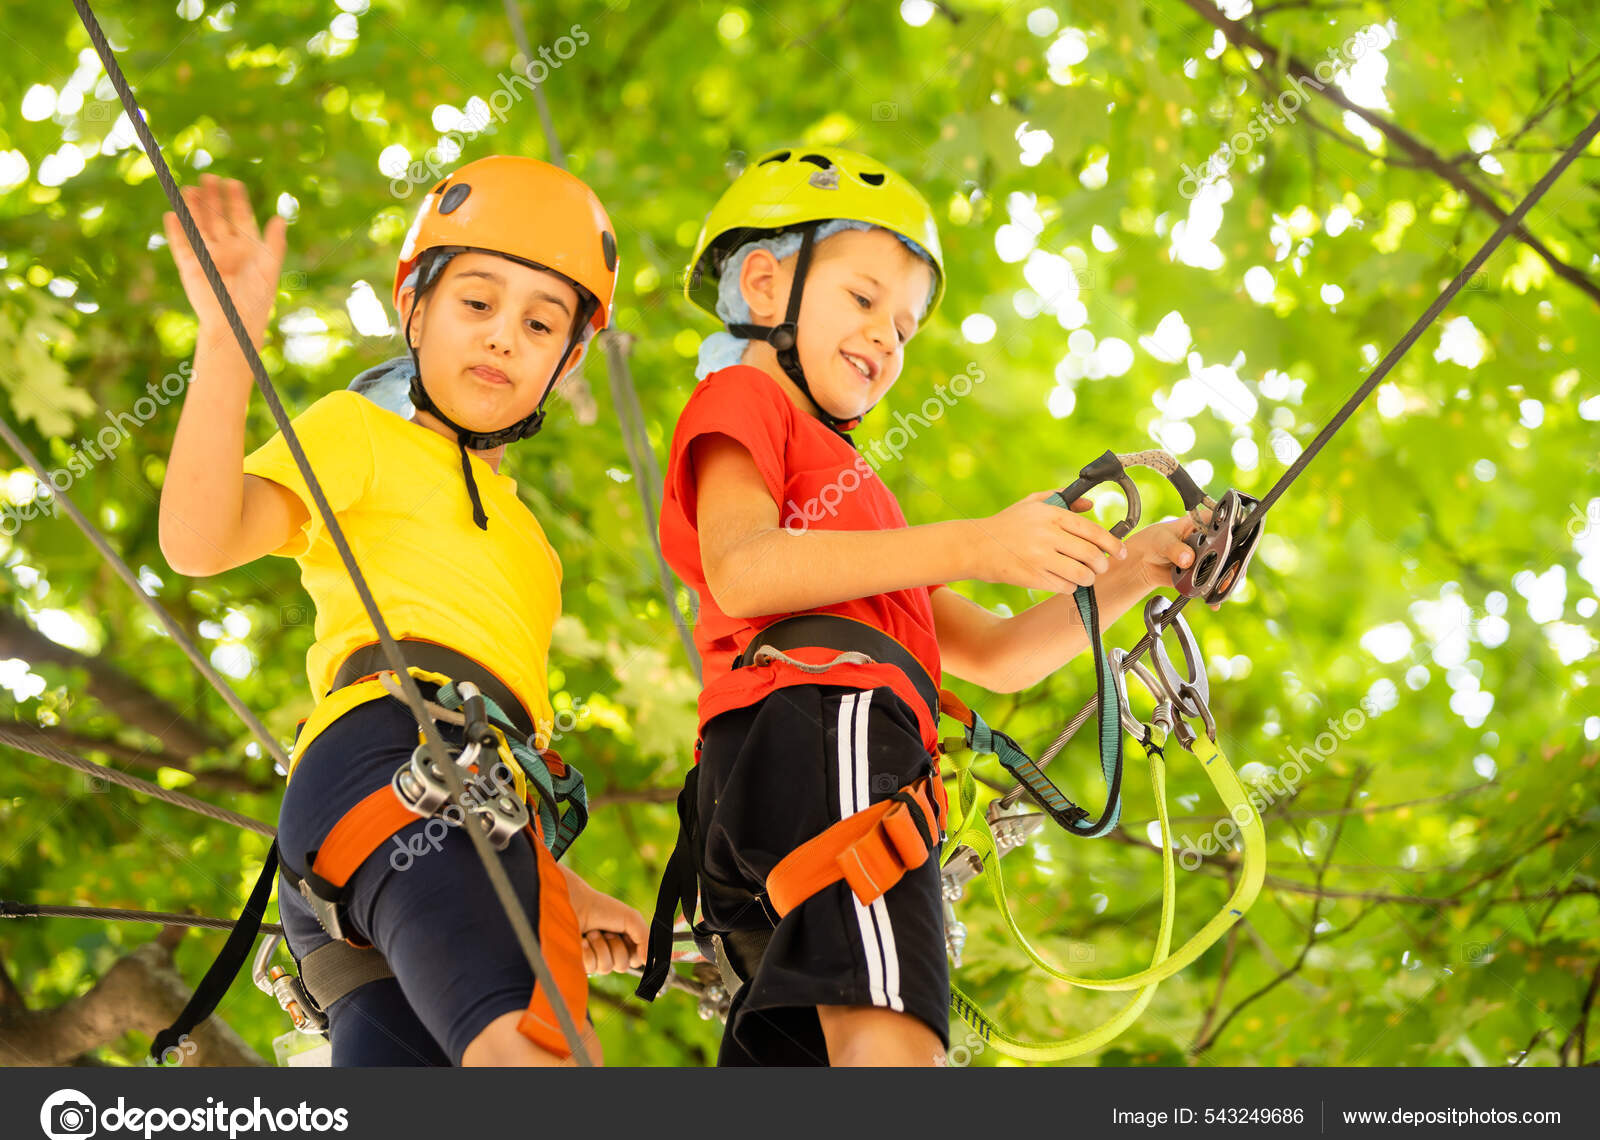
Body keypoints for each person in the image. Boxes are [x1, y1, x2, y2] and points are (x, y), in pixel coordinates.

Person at [638, 146, 1202, 1066]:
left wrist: (1138, 566)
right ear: (767, 283)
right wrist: (983, 542)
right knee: (896, 1049)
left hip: (793, 774)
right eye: (864, 300)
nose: (886, 340)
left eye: (903, 329)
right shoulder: (744, 395)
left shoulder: (859, 499)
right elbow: (742, 571)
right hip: (828, 732)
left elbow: (996, 656)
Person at [157, 157, 646, 1066]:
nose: (504, 337)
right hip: (392, 755)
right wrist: (229, 342)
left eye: (540, 323)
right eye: (476, 304)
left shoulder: (534, 549)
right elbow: (198, 538)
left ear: (566, 361)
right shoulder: (362, 433)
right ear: (415, 312)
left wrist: (557, 885)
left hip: (423, 813)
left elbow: (500, 752)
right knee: (541, 1057)